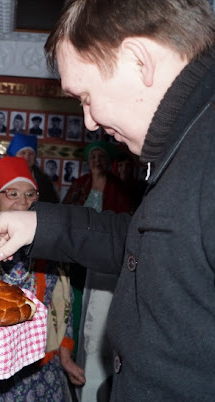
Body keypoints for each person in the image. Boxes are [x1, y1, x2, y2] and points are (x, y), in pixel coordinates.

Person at [0, 0, 215, 400]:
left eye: (87, 97)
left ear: (137, 59)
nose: (89, 121)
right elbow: (145, 244)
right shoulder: (196, 129)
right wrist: (38, 224)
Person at [0, 156, 85, 400]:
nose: (23, 203)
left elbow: (61, 298)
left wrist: (66, 355)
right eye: (12, 194)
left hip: (41, 367)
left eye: (30, 194)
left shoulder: (48, 240)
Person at [61, 141, 132, 402]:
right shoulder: (80, 184)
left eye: (102, 156)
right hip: (79, 257)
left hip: (107, 262)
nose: (97, 160)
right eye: (93, 156)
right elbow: (67, 215)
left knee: (100, 315)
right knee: (77, 308)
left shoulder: (118, 186)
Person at [6, 133, 59, 203]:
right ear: (14, 156)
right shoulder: (2, 176)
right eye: (23, 153)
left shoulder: (43, 181)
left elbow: (52, 204)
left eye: (31, 153)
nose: (26, 157)